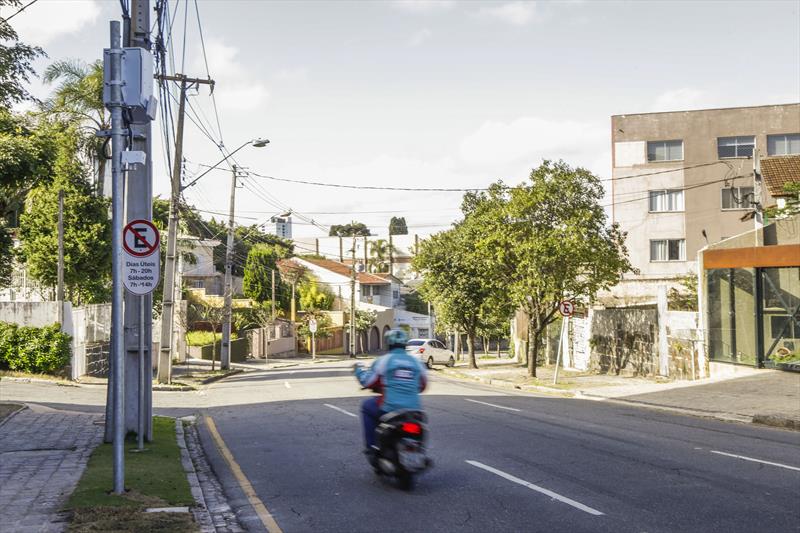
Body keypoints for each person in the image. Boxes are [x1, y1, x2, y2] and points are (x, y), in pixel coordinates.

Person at [353, 329, 428, 458]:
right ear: (405, 345)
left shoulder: (384, 360)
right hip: (415, 410)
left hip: (389, 408)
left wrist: (358, 370)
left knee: (366, 406)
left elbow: (367, 381)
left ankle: (371, 447)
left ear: (388, 344)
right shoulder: (417, 362)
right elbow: (422, 386)